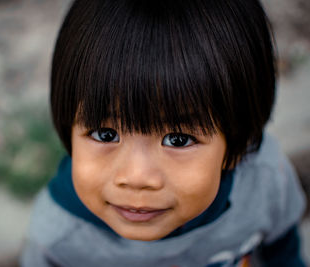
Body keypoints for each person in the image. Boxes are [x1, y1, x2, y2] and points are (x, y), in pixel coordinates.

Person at [20, 0, 307, 266]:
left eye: (178, 139)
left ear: (239, 143)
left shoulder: (265, 183)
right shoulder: (59, 241)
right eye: (106, 135)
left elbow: (283, 249)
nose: (137, 178)